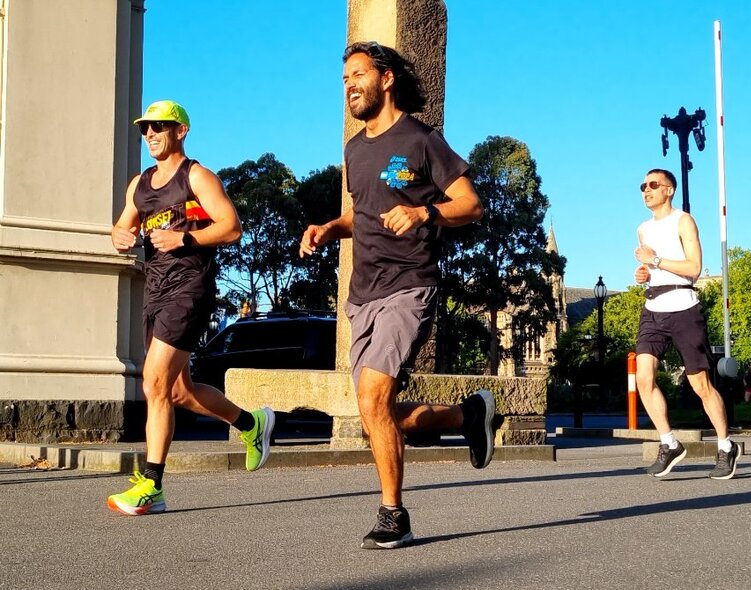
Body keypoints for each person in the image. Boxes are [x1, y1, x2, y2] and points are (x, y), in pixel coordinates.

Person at [300, 42, 494, 549]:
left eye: (358, 75)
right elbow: (361, 214)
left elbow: (471, 205)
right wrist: (328, 227)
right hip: (362, 293)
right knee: (375, 414)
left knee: (373, 397)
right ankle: (467, 415)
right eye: (344, 80)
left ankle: (394, 515)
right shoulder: (354, 150)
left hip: (409, 285)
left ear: (386, 80)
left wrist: (423, 212)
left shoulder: (421, 139)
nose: (350, 86)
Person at [108, 100, 275, 515]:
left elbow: (231, 228)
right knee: (179, 390)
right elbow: (122, 225)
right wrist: (118, 236)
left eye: (159, 127)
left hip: (190, 288)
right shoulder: (140, 185)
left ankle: (152, 485)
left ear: (180, 131)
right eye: (145, 128)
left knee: (154, 383)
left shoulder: (197, 177)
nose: (150, 134)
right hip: (156, 291)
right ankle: (252, 423)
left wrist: (185, 239)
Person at [633, 168, 742, 480]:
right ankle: (669, 443)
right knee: (643, 378)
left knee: (700, 385)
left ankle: (725, 446)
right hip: (653, 307)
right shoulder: (642, 229)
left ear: (669, 190)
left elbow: (693, 268)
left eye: (653, 185)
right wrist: (643, 273)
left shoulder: (683, 220)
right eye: (643, 186)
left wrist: (653, 261)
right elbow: (649, 269)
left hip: (684, 307)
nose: (646, 190)